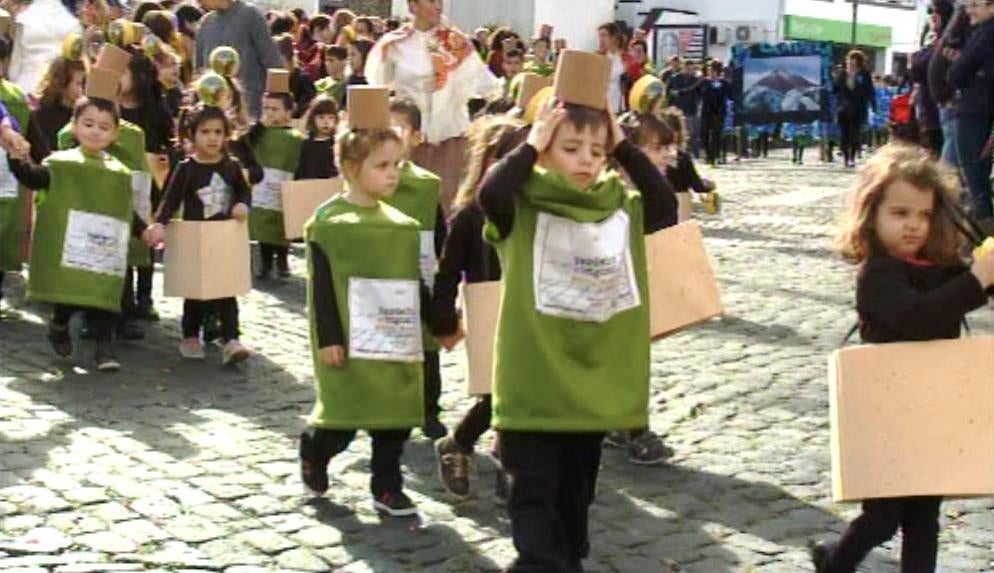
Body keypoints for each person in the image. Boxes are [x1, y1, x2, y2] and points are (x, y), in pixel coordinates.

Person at [478, 96, 677, 571]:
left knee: (574, 503)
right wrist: (530, 144)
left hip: (591, 390)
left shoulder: (620, 208)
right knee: (533, 501)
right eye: (570, 147)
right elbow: (490, 194)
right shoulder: (521, 207)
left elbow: (665, 205)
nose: (586, 159)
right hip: (533, 385)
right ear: (545, 148)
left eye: (596, 150)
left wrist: (624, 146)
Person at [812, 144, 994, 573]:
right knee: (883, 515)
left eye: (924, 215)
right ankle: (835, 561)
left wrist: (983, 271)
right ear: (871, 215)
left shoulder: (936, 266)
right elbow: (919, 316)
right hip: (889, 412)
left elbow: (960, 292)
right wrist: (975, 281)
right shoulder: (878, 273)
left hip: (930, 409)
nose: (913, 225)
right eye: (900, 213)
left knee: (924, 516)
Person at [298, 122, 425, 518]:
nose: (393, 173)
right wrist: (329, 337)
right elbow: (321, 289)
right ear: (352, 167)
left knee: (394, 416)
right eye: (382, 164)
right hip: (348, 340)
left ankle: (386, 486)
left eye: (398, 164)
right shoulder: (328, 223)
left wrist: (436, 319)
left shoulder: (401, 226)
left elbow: (411, 279)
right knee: (344, 419)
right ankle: (315, 451)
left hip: (392, 338)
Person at [9, 96, 144, 371]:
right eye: (89, 123)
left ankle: (105, 350)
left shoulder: (119, 173)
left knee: (106, 295)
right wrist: (18, 162)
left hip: (105, 247)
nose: (96, 131)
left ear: (115, 133)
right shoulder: (61, 163)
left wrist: (144, 230)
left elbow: (125, 210)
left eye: (104, 127)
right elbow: (35, 179)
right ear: (74, 127)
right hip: (71, 245)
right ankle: (59, 324)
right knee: (71, 293)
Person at [431, 115, 525, 501]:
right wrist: (442, 313)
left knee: (517, 395)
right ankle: (461, 444)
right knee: (497, 395)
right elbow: (448, 270)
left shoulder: (534, 212)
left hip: (526, 312)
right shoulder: (470, 217)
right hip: (490, 313)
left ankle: (507, 464)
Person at [365, 0, 500, 212]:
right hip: (408, 140)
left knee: (450, 207)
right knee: (407, 206)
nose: (438, 6)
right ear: (412, 6)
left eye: (440, 1)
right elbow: (376, 84)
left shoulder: (457, 43)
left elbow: (486, 82)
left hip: (450, 138)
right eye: (431, 1)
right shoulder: (393, 44)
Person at [142, 105, 252, 365]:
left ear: (226, 135)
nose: (212, 138)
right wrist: (160, 223)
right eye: (205, 132)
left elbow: (243, 191)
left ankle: (231, 338)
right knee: (195, 289)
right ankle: (190, 335)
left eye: (218, 132)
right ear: (192, 135)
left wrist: (242, 205)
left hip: (224, 236)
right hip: (195, 236)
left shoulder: (231, 167)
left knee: (227, 289)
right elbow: (171, 199)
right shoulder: (187, 168)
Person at [385, 97, 448, 439]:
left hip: (422, 276)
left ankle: (429, 409)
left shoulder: (426, 184)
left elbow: (439, 229)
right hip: (383, 277)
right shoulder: (371, 180)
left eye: (399, 128)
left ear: (415, 137)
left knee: (427, 346)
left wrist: (444, 276)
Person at [242, 82, 304, 279]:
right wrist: (259, 126)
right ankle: (266, 261)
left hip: (285, 182)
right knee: (263, 223)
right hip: (262, 183)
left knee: (282, 223)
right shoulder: (259, 133)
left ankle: (282, 259)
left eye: (275, 109)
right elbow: (243, 143)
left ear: (288, 112)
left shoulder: (296, 137)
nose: (269, 113)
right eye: (266, 108)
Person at [195, 0, 283, 119]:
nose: (198, 2)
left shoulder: (250, 15)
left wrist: (279, 104)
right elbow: (199, 69)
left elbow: (273, 62)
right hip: (216, 112)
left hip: (250, 107)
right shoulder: (205, 23)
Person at [947, 0, 994, 221]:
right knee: (977, 177)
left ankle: (984, 239)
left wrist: (957, 68)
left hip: (975, 109)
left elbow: (957, 72)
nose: (969, 11)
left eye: (975, 5)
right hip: (981, 109)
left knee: (974, 179)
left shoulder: (985, 33)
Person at [7, 0, 81, 93]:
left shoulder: (25, 18)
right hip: (55, 88)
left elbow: (15, 64)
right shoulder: (73, 23)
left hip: (26, 86)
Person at [834, 50, 876, 168]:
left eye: (853, 61)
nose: (850, 63)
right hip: (843, 108)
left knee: (855, 134)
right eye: (848, 60)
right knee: (844, 134)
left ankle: (852, 157)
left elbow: (870, 91)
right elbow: (835, 89)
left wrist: (873, 105)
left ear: (858, 62)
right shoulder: (842, 73)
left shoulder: (864, 74)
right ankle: (846, 158)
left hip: (858, 108)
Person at [294, 95, 339, 180]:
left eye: (331, 118)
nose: (326, 122)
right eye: (321, 117)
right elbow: (301, 169)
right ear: (313, 119)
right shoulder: (306, 144)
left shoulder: (336, 143)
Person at [699, 60, 731, 167]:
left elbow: (729, 95)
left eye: (711, 70)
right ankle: (708, 154)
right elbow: (697, 92)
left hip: (719, 112)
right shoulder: (704, 82)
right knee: (704, 134)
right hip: (706, 112)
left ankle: (714, 156)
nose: (709, 72)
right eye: (708, 70)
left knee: (716, 135)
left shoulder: (724, 83)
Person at [597, 22, 626, 115]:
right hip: (602, 108)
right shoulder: (599, 58)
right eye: (599, 36)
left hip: (620, 108)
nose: (600, 40)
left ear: (613, 37)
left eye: (604, 35)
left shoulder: (625, 58)